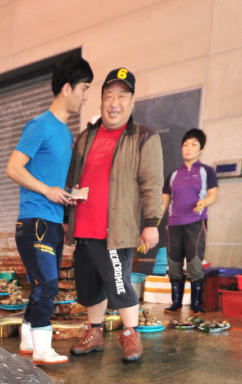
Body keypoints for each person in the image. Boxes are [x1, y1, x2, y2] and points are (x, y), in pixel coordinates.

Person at [66, 68, 163, 363]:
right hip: (84, 226)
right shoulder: (86, 136)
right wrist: (64, 218)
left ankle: (131, 335)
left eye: (121, 96)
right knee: (89, 285)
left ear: (132, 101)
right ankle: (94, 333)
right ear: (101, 101)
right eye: (109, 96)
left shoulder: (144, 136)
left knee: (119, 284)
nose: (114, 103)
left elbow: (152, 182)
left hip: (116, 229)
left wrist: (151, 223)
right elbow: (72, 178)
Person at [6, 54, 93, 366]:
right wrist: (48, 190)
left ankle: (30, 339)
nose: (86, 96)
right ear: (67, 88)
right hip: (35, 221)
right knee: (49, 285)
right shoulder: (39, 126)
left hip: (54, 221)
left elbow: (54, 180)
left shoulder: (66, 134)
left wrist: (68, 199)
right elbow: (13, 168)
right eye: (84, 88)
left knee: (43, 284)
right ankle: (43, 346)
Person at [162, 128, 218, 314]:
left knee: (194, 263)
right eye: (185, 144)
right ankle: (176, 303)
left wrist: (204, 203)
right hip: (174, 224)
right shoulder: (173, 175)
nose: (188, 148)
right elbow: (164, 201)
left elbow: (213, 195)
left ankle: (196, 304)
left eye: (194, 144)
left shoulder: (206, 171)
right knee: (174, 264)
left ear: (201, 149)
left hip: (195, 222)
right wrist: (153, 223)